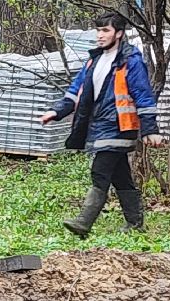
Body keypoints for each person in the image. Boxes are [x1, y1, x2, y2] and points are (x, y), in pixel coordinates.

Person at [38, 12, 163, 235]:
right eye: (98, 30)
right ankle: (135, 224)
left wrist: (150, 129)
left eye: (105, 30)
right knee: (120, 174)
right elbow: (75, 92)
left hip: (120, 126)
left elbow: (143, 96)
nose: (100, 35)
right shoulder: (94, 61)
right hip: (99, 126)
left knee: (100, 171)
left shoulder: (130, 61)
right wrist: (55, 112)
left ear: (119, 34)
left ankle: (83, 223)